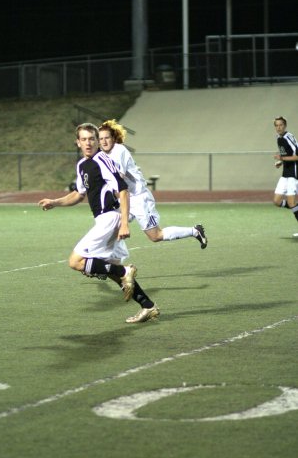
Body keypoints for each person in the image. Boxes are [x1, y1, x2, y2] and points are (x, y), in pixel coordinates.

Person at [38, 123, 160, 324]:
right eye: (84, 139)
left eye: (92, 139)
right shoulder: (82, 165)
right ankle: (148, 306)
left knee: (76, 261)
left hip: (110, 218)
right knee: (110, 270)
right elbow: (79, 194)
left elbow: (123, 190)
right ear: (78, 142)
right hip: (105, 219)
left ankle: (124, 271)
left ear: (97, 141)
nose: (88, 142)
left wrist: (124, 223)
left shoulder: (103, 160)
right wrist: (55, 202)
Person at [98, 119, 207, 248]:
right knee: (109, 227)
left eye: (107, 138)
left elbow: (118, 177)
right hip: (125, 198)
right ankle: (101, 262)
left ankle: (195, 231)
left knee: (155, 236)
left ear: (114, 138)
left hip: (139, 198)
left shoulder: (118, 150)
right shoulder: (103, 155)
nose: (104, 141)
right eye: (101, 139)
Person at [272, 116, 298, 236]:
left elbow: (297, 156)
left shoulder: (289, 137)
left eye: (281, 125)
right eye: (276, 125)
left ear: (285, 125)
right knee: (277, 201)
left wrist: (281, 158)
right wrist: (281, 162)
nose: (278, 127)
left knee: (292, 203)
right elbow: (287, 155)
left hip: (293, 173)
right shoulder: (278, 138)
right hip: (285, 174)